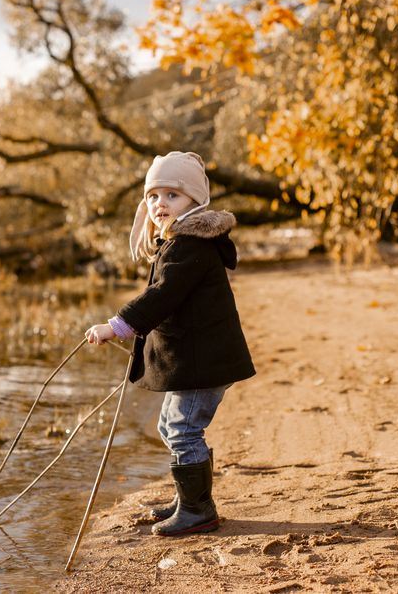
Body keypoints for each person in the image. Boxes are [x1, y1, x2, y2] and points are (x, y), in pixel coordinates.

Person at [85, 151, 256, 536]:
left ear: (196, 201)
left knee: (182, 429)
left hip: (202, 362)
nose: (160, 204)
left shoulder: (190, 244)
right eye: (153, 196)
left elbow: (163, 295)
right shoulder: (179, 241)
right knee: (170, 425)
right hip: (198, 359)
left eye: (172, 196)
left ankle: (199, 509)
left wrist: (118, 325)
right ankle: (190, 499)